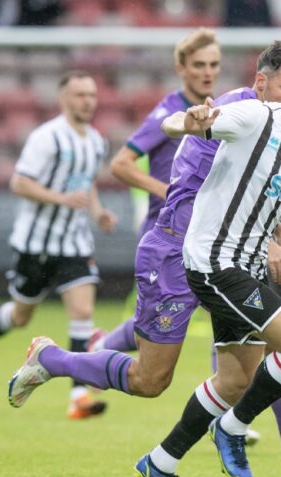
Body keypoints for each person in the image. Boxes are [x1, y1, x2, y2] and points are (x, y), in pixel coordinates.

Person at [9, 46, 281, 477]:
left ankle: (161, 461)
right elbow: (173, 127)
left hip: (241, 264)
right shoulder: (252, 116)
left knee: (213, 379)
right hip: (204, 260)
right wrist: (191, 119)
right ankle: (236, 429)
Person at [0, 70, 117, 420]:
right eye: (80, 95)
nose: (87, 101)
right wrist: (60, 199)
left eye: (91, 95)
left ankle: (77, 396)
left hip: (75, 243)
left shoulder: (95, 140)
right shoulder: (47, 138)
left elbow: (87, 183)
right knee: (20, 316)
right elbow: (19, 183)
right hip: (36, 243)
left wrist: (98, 212)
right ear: (63, 99)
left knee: (81, 313)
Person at [95, 28, 222, 355]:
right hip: (165, 231)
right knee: (153, 325)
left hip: (202, 230)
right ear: (181, 68)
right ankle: (98, 351)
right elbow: (121, 164)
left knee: (228, 311)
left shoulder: (217, 111)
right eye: (199, 65)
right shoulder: (169, 112)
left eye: (213, 64)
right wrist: (169, 191)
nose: (207, 72)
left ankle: (224, 398)